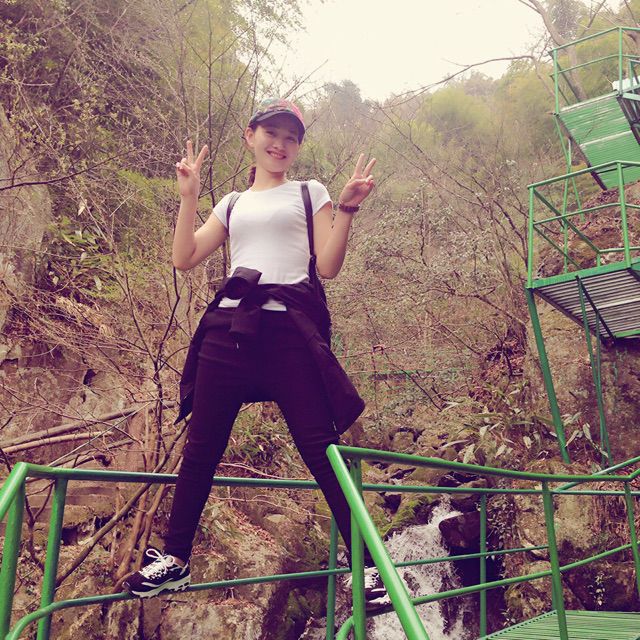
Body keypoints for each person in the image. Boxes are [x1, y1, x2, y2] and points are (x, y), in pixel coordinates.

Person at [123, 97, 387, 608]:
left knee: (321, 448)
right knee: (202, 447)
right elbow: (184, 257)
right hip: (229, 329)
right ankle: (175, 560)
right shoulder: (231, 203)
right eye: (272, 133)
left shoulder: (310, 193)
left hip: (288, 332)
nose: (280, 144)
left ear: (298, 146)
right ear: (251, 136)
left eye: (291, 137)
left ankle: (369, 565)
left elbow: (327, 267)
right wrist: (188, 196)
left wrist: (349, 209)